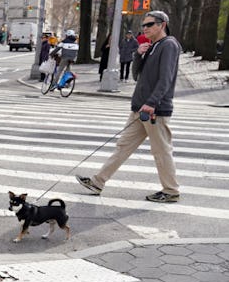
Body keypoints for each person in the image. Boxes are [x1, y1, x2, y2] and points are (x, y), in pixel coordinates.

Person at [76, 11, 182, 203]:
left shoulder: (169, 45)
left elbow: (166, 79)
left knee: (161, 151)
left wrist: (152, 102)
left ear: (162, 25)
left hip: (154, 110)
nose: (145, 28)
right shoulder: (151, 46)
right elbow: (136, 75)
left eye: (149, 24)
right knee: (123, 146)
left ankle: (171, 190)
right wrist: (138, 55)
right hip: (140, 109)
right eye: (144, 25)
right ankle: (98, 182)